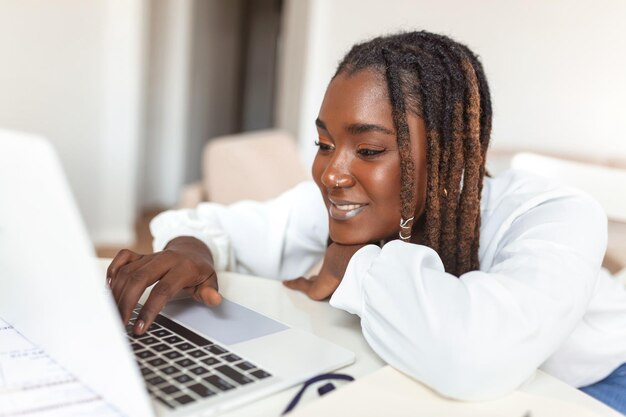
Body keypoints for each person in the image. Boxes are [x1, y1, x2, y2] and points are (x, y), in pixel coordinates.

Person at [107, 31, 626, 412]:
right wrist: (190, 250)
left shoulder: (555, 215)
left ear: (451, 156)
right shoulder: (349, 202)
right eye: (324, 145)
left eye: (370, 148)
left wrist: (356, 260)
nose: (332, 173)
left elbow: (474, 359)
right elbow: (220, 225)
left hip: (594, 385)